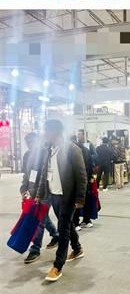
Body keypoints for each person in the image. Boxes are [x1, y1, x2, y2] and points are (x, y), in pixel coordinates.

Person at [35, 119, 87, 282]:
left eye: (47, 130)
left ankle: (58, 266)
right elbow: (45, 174)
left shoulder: (71, 149)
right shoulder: (48, 150)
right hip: (53, 195)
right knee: (68, 224)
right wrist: (40, 194)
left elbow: (81, 175)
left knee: (63, 228)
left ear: (55, 132)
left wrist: (80, 198)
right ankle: (77, 249)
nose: (44, 134)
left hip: (67, 196)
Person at [20, 133, 59, 264]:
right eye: (28, 142)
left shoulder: (45, 153)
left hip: (45, 193)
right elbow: (27, 174)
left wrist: (41, 193)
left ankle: (35, 249)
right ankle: (56, 235)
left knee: (39, 220)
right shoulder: (27, 155)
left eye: (32, 142)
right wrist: (23, 188)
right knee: (43, 217)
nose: (30, 145)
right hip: (33, 192)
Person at [69, 135, 94, 230]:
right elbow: (91, 164)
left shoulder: (71, 150)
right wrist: (90, 176)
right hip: (85, 179)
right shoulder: (86, 150)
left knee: (75, 201)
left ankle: (76, 223)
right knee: (86, 199)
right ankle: (87, 220)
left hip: (74, 179)